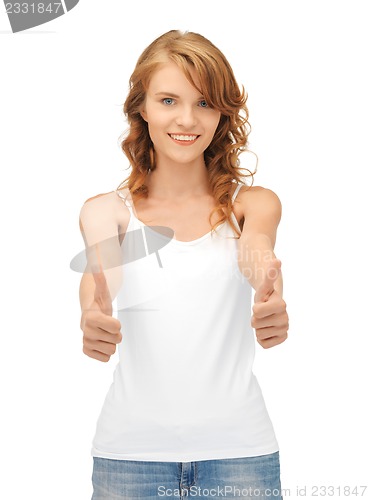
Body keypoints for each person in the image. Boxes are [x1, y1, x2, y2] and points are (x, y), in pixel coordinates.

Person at [78, 30, 289, 500]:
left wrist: (268, 289)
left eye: (205, 103)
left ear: (223, 113)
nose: (187, 120)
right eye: (169, 100)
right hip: (129, 460)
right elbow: (102, 276)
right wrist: (94, 315)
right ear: (142, 108)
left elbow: (256, 251)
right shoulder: (104, 211)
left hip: (241, 458)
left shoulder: (251, 205)